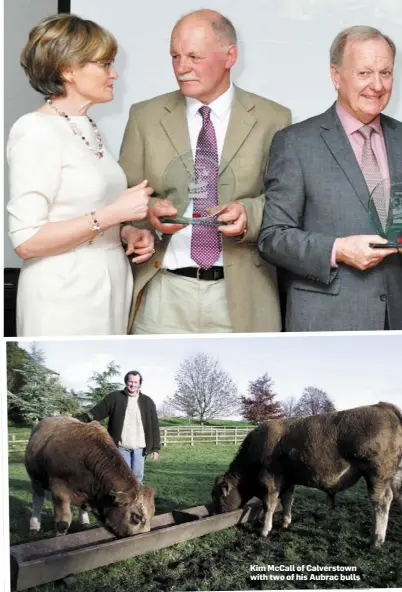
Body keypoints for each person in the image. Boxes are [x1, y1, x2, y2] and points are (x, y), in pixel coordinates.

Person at [119, 9, 291, 334]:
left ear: (230, 56)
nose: (182, 68)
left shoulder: (274, 118)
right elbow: (126, 199)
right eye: (175, 56)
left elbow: (285, 201)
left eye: (194, 56)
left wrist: (248, 214)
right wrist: (148, 214)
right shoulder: (144, 116)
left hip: (242, 295)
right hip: (163, 293)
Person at [7, 14, 155, 336]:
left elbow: (89, 211)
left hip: (110, 282)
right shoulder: (35, 130)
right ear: (68, 70)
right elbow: (27, 240)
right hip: (63, 292)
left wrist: (126, 232)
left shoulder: (86, 126)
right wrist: (112, 214)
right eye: (104, 64)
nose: (114, 74)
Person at [258, 25, 402, 331]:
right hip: (328, 325)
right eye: (365, 73)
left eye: (386, 73)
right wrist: (337, 250)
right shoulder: (296, 143)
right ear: (336, 76)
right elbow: (273, 238)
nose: (377, 85)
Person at [78, 370, 160, 483]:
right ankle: (121, 500)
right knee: (122, 478)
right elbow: (97, 412)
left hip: (140, 448)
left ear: (140, 384)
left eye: (136, 382)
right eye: (130, 381)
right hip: (121, 448)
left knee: (137, 478)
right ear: (126, 382)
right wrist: (78, 420)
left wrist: (156, 448)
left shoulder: (148, 402)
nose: (133, 384)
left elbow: (154, 425)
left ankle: (136, 500)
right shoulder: (115, 397)